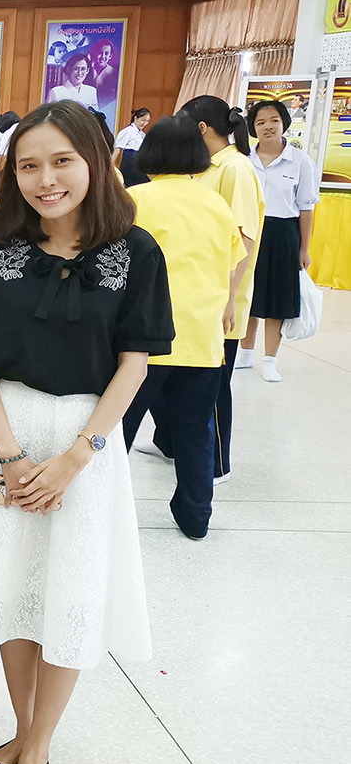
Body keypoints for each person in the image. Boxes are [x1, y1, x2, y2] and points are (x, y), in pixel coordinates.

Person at [0, 101, 172, 764]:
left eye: (62, 160)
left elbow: (134, 364)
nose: (46, 179)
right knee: (11, 589)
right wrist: (9, 454)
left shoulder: (136, 252)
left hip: (84, 442)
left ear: (98, 160)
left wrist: (75, 457)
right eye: (29, 165)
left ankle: (36, 749)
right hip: (4, 433)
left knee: (68, 593)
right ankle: (21, 727)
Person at [122, 115, 245, 540]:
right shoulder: (216, 204)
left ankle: (99, 511)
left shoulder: (134, 199)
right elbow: (234, 261)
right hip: (202, 339)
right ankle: (196, 517)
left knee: (117, 429)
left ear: (148, 154)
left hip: (142, 340)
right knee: (195, 433)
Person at [146, 96, 263, 483]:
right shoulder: (205, 169)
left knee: (210, 390)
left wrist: (228, 298)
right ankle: (169, 443)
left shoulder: (235, 167)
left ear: (199, 128)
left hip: (217, 300)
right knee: (172, 379)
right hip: (188, 296)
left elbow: (243, 237)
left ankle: (215, 464)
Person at [241, 99, 319, 381]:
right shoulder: (244, 159)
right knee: (247, 293)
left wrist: (304, 249)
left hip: (283, 233)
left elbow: (306, 208)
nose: (268, 127)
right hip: (249, 231)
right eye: (260, 122)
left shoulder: (300, 161)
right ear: (253, 128)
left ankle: (270, 359)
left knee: (277, 299)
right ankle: (245, 353)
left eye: (274, 120)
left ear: (284, 122)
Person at [113, 108, 151, 187]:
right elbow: (118, 149)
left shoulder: (143, 134)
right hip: (130, 162)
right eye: (142, 120)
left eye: (147, 121)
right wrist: (110, 167)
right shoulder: (128, 131)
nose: (144, 123)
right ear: (135, 118)